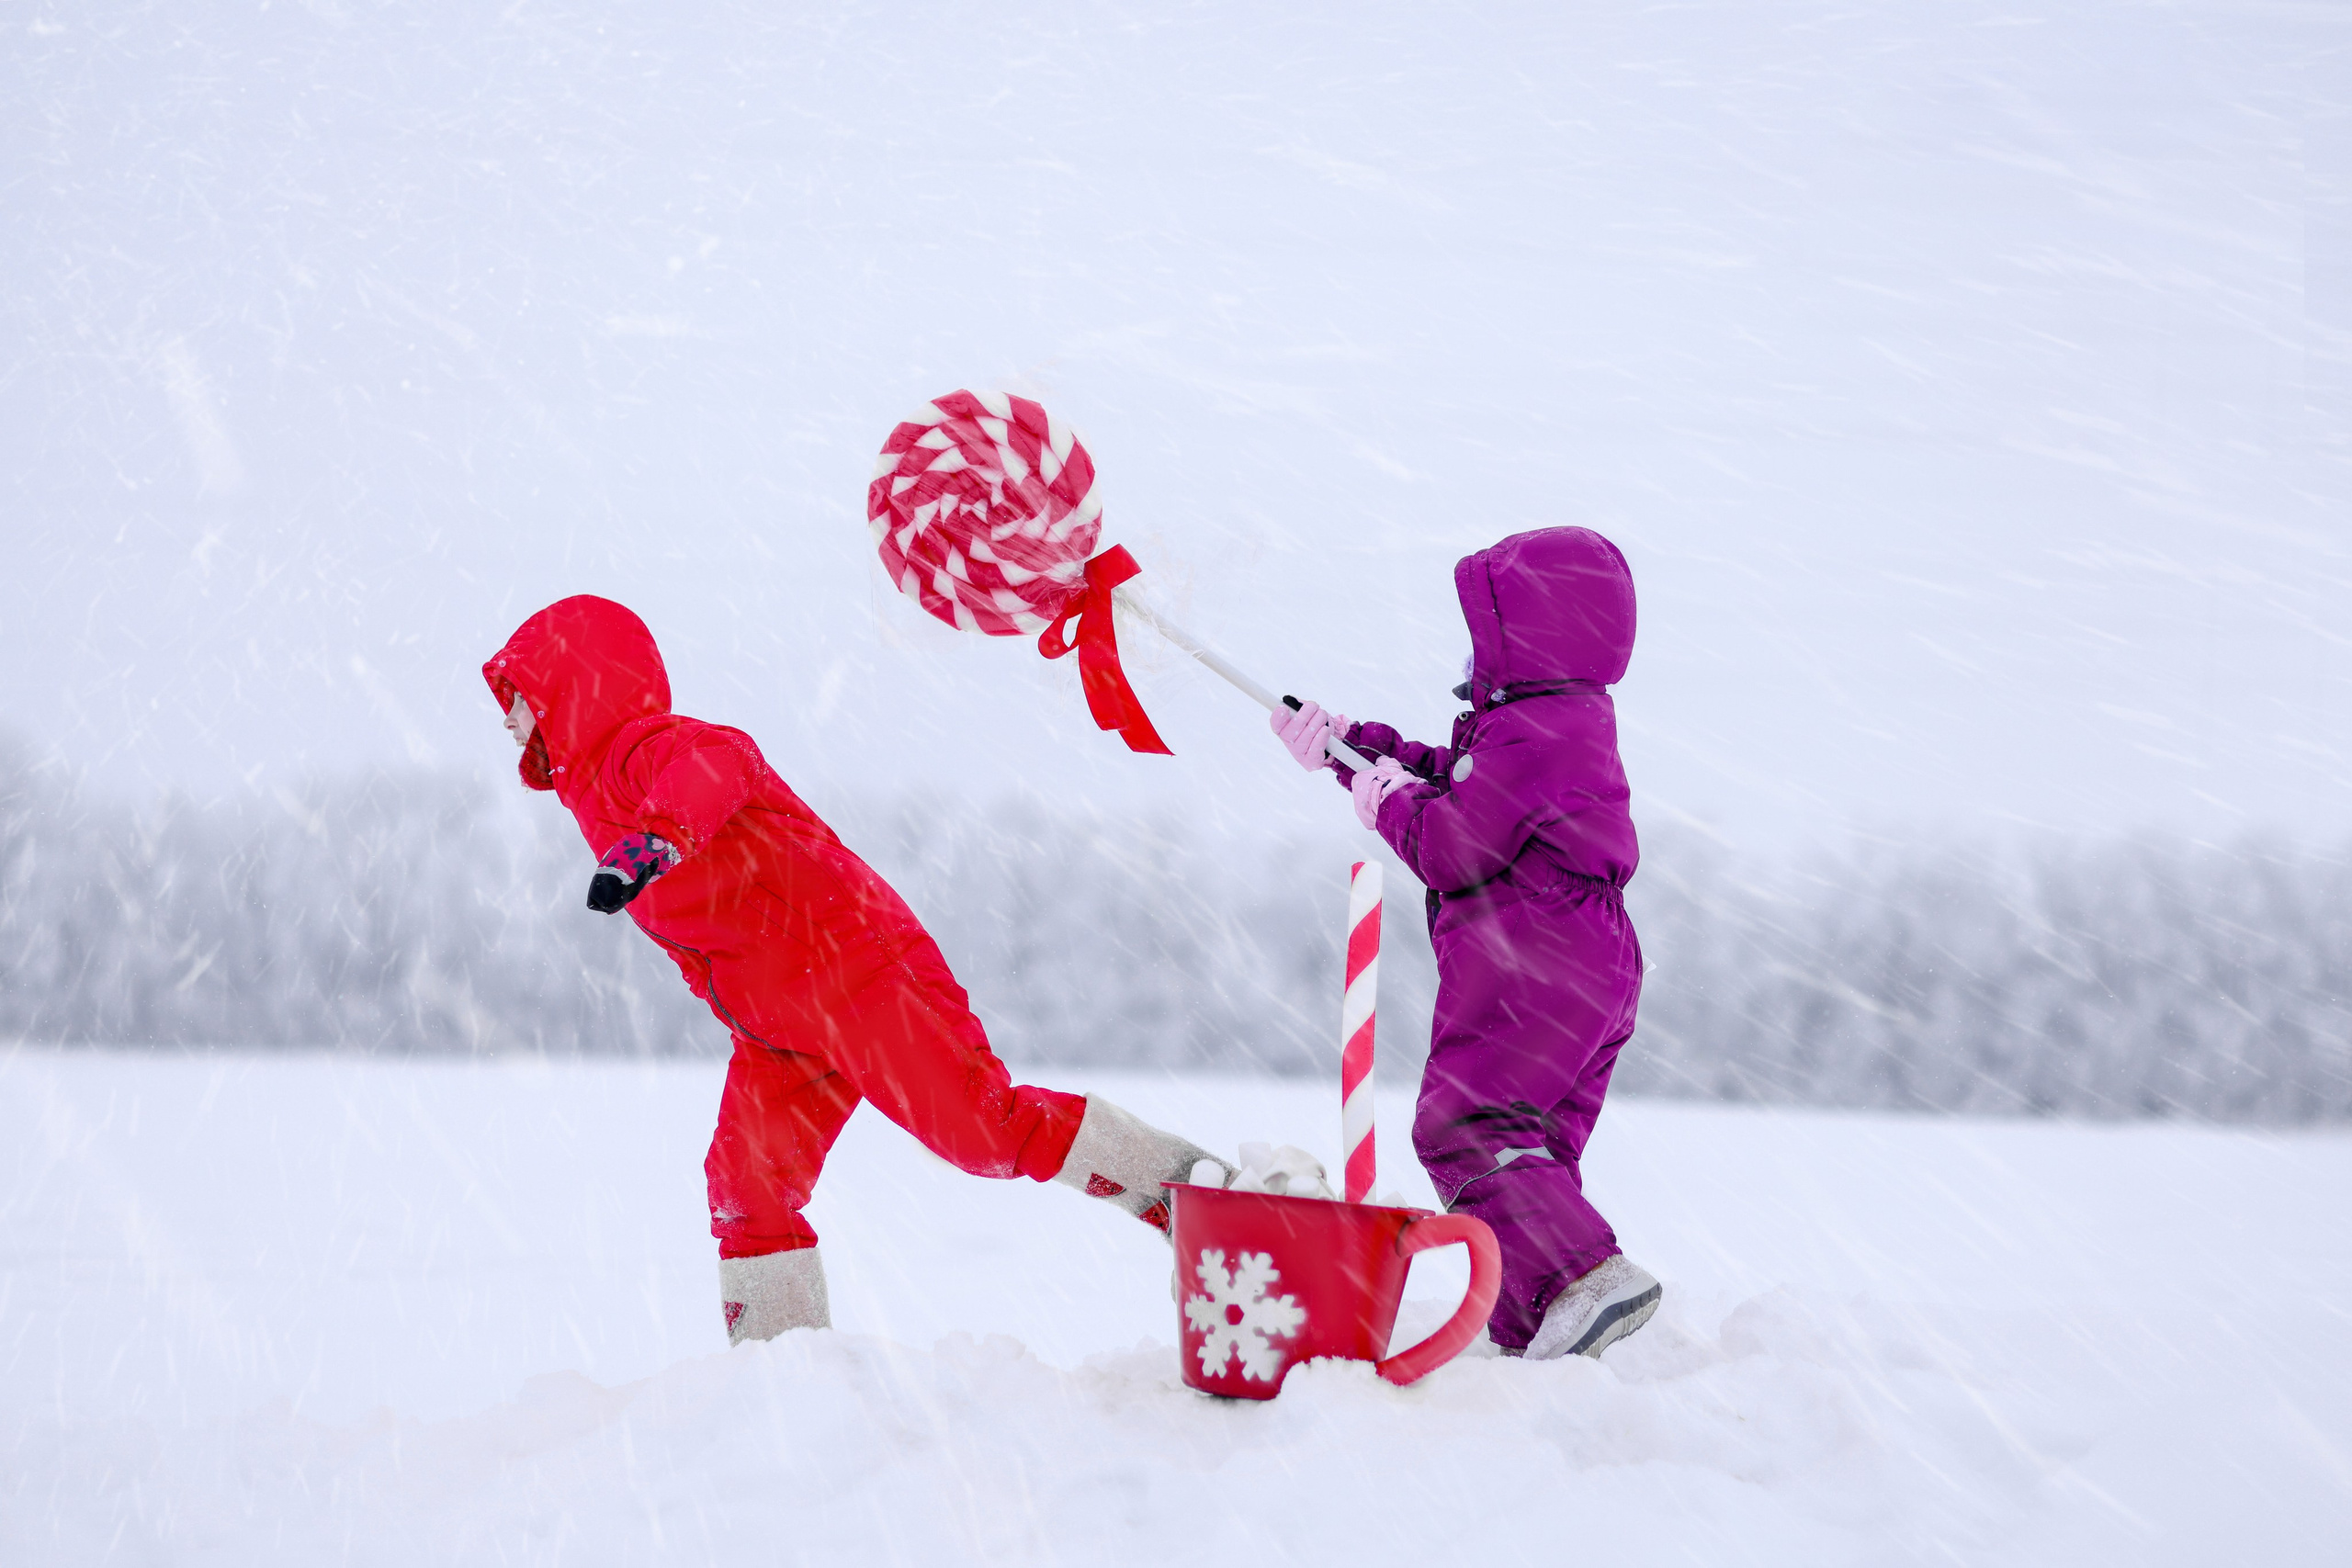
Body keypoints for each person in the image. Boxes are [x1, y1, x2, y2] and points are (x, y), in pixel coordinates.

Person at [485, 595, 1235, 1345]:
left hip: (855, 970)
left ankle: (1184, 1191)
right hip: (777, 1028)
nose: (510, 717)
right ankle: (781, 1376)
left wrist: (657, 841)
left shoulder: (642, 748)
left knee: (983, 1131)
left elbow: (720, 764)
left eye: (517, 695)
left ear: (570, 686)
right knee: (747, 1188)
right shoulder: (589, 795)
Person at [1271, 526, 1661, 1359]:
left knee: (1466, 1126)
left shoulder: (1532, 730)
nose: (1475, 648)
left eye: (1486, 629)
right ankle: (1539, 1318)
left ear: (1528, 634)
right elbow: (1447, 784)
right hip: (1585, 958)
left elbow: (1451, 841)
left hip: (1537, 950)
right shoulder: (1552, 724)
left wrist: (1388, 808)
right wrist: (1349, 749)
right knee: (1531, 1145)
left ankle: (1587, 1279)